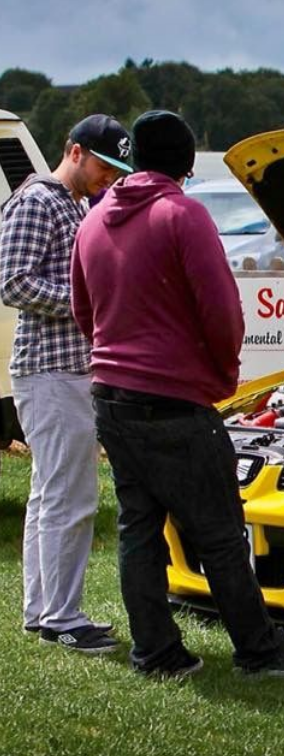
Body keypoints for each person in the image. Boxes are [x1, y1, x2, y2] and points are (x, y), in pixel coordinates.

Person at [70, 110, 284, 679]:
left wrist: (113, 359)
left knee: (138, 529)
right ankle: (260, 652)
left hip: (111, 393)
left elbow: (83, 310)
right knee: (220, 533)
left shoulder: (93, 220)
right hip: (174, 399)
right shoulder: (182, 214)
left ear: (135, 158)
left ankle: (156, 651)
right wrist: (222, 375)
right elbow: (222, 312)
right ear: (186, 167)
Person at [0, 114, 133, 654]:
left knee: (50, 494)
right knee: (71, 497)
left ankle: (43, 612)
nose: (111, 176)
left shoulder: (74, 204)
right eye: (105, 164)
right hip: (50, 372)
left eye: (118, 168)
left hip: (63, 370)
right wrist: (89, 303)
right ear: (75, 151)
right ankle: (62, 618)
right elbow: (12, 282)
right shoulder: (38, 200)